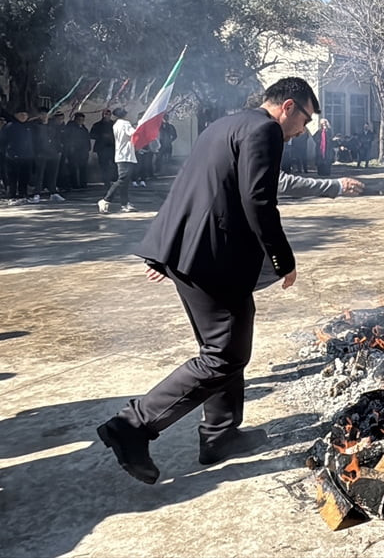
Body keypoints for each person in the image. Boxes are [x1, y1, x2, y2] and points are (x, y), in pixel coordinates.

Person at [96, 77, 318, 485]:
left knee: (223, 347)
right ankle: (131, 425)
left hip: (191, 251)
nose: (303, 129)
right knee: (224, 355)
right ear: (289, 106)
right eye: (305, 119)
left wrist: (166, 251)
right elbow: (258, 200)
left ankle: (219, 435)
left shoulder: (225, 124)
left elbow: (192, 186)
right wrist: (283, 258)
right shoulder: (265, 129)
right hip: (215, 257)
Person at [99, 108, 137, 213]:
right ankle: (106, 199)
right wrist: (140, 125)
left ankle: (125, 203)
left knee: (125, 181)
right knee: (122, 180)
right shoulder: (125, 123)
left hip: (121, 154)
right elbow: (133, 133)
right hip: (126, 155)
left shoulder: (116, 124)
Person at [0, 110, 36, 205]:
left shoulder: (29, 126)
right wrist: (8, 153)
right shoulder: (10, 126)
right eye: (21, 114)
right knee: (13, 177)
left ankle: (23, 194)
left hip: (27, 156)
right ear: (16, 115)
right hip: (13, 156)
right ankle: (12, 195)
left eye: (25, 114)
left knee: (25, 176)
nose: (23, 116)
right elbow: (2, 142)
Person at [62, 112, 92, 191]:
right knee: (73, 168)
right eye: (79, 119)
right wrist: (70, 148)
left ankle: (83, 183)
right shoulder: (70, 128)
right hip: (74, 151)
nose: (80, 121)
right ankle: (74, 183)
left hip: (83, 151)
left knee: (83, 167)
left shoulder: (84, 128)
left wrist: (88, 148)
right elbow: (68, 139)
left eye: (82, 119)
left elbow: (87, 139)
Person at [90, 109, 116, 187]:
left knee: (114, 164)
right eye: (105, 114)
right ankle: (106, 181)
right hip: (101, 148)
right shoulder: (97, 125)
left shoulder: (114, 124)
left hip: (112, 147)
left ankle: (114, 179)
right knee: (104, 165)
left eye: (108, 114)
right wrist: (102, 136)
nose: (107, 116)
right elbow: (92, 135)